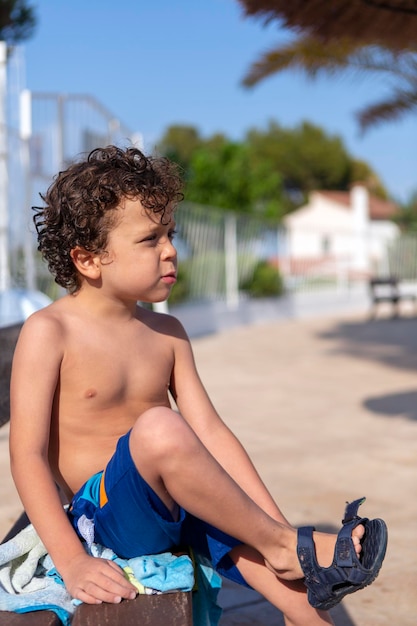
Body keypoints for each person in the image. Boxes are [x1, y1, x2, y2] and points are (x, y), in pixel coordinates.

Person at [9, 146, 387, 626]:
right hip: (105, 518)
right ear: (88, 259)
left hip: (176, 507)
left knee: (306, 607)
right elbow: (27, 454)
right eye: (149, 239)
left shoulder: (167, 334)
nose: (170, 250)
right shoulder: (50, 332)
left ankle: (287, 553)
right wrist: (71, 559)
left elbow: (211, 434)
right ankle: (282, 545)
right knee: (161, 429)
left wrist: (277, 529)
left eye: (171, 233)